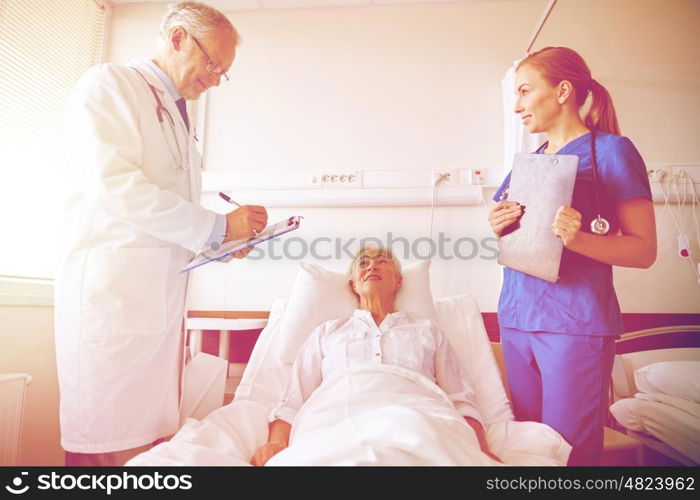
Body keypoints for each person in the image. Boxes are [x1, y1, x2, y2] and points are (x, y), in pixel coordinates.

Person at [55, 1, 267, 466]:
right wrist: (214, 225)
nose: (214, 79)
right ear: (176, 37)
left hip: (155, 310)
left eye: (222, 72)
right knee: (103, 452)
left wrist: (222, 240)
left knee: (149, 458)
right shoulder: (108, 85)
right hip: (112, 305)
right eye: (212, 63)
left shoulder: (176, 116)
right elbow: (113, 186)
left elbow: (168, 218)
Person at [488, 47, 656, 465]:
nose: (517, 106)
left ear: (562, 90)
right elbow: (521, 241)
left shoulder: (612, 152)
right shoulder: (529, 162)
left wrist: (578, 238)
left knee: (570, 457)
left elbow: (644, 249)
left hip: (573, 325)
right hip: (517, 319)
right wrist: (498, 224)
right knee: (528, 451)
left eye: (525, 91)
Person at [250, 247, 501, 466]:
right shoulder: (327, 332)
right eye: (363, 263)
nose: (372, 266)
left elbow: (461, 399)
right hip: (337, 414)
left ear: (398, 281)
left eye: (382, 261)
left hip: (417, 414)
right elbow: (294, 400)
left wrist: (481, 451)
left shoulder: (428, 331)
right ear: (353, 285)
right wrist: (276, 443)